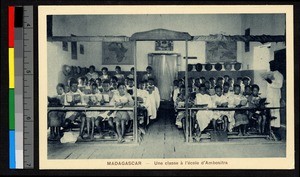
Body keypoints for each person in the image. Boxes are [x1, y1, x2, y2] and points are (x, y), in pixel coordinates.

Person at [265, 60, 284, 132]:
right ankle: (271, 126)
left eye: (272, 65)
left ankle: (276, 127)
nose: (270, 67)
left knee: (275, 111)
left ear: (276, 66)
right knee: (270, 111)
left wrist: (270, 82)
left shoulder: (279, 75)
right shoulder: (270, 74)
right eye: (270, 65)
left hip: (275, 96)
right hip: (269, 96)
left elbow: (279, 85)